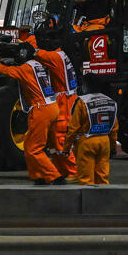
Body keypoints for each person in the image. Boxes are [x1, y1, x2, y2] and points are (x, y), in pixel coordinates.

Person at [0, 41, 63, 185]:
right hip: (52, 106)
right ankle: (38, 176)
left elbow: (4, 70)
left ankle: (55, 176)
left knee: (34, 148)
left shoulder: (24, 69)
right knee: (29, 145)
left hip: (41, 109)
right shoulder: (37, 65)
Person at [32, 31, 80, 180]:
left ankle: (73, 172)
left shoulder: (54, 57)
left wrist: (26, 45)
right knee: (54, 140)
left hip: (65, 101)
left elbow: (35, 53)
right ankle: (61, 170)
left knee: (61, 138)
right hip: (65, 99)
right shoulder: (60, 54)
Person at [63, 92, 119, 185]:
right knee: (103, 177)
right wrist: (112, 147)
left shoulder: (82, 102)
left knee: (86, 180)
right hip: (105, 141)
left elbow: (73, 128)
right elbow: (114, 128)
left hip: (87, 142)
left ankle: (88, 199)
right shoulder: (109, 100)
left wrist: (66, 148)